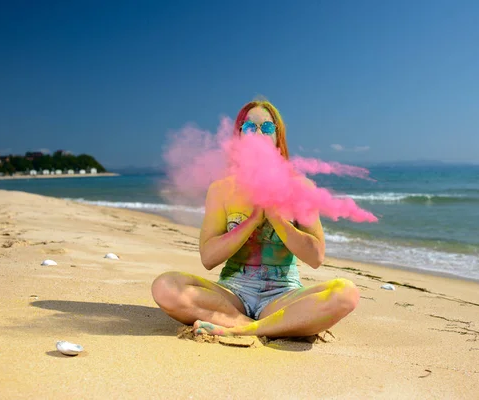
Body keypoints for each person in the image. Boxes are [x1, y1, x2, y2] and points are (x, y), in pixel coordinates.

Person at [151, 99, 359, 338]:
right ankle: (262, 326)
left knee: (346, 293)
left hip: (283, 295)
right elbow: (208, 258)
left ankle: (243, 329)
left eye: (267, 127)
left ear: (277, 136)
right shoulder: (221, 190)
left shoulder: (301, 187)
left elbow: (316, 257)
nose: (259, 133)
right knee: (165, 286)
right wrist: (251, 221)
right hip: (232, 294)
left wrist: (276, 217)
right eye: (250, 127)